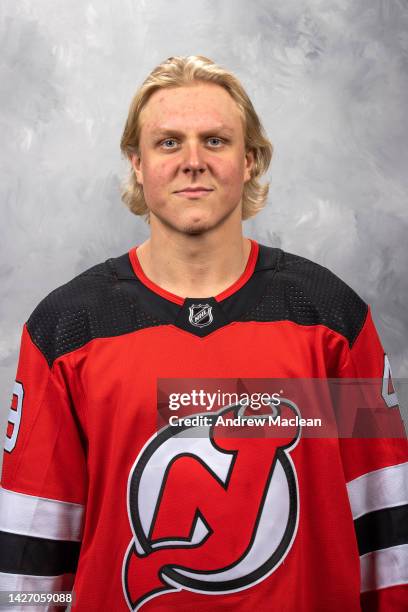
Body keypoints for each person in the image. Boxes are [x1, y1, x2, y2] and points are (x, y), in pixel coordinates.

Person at [0, 55, 407, 611]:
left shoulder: (329, 319)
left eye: (215, 141)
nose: (193, 162)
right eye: (168, 142)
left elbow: (387, 537)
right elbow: (31, 560)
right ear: (136, 163)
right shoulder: (67, 330)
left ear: (251, 160)